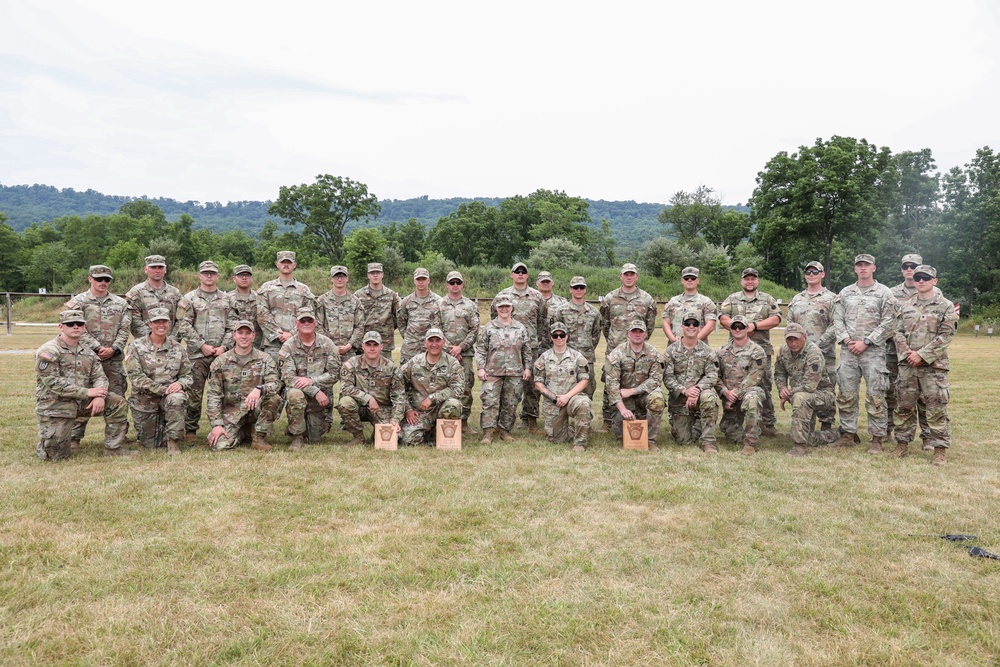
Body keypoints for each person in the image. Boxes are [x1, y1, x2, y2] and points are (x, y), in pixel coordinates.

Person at [34, 309, 134, 460]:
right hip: (56, 404)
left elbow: (100, 376)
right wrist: (87, 393)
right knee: (55, 456)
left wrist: (100, 395)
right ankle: (49, 442)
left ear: (84, 326)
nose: (75, 326)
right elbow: (53, 382)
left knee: (117, 402)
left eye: (79, 324)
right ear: (61, 327)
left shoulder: (88, 351)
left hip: (82, 402)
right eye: (70, 324)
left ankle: (114, 448)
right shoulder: (49, 350)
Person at [890, 265, 958, 465]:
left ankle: (939, 450)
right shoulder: (906, 305)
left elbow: (946, 336)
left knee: (936, 408)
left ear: (934, 281)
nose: (921, 281)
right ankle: (901, 444)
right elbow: (897, 331)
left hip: (933, 367)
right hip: (908, 366)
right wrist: (908, 353)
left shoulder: (945, 306)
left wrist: (922, 355)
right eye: (918, 277)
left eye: (926, 278)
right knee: (903, 406)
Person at [831, 254, 898, 452]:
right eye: (859, 265)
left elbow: (889, 322)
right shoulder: (845, 293)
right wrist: (847, 340)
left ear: (873, 268)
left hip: (874, 352)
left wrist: (867, 341)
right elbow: (837, 320)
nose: (862, 268)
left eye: (866, 265)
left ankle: (877, 438)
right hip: (848, 351)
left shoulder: (884, 293)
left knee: (876, 395)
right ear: (855, 269)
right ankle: (848, 434)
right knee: (846, 394)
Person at [65, 264, 132, 447]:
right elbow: (76, 328)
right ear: (90, 279)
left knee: (117, 395)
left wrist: (115, 348)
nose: (103, 282)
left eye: (106, 280)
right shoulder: (78, 302)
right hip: (85, 357)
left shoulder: (121, 303)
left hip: (114, 358)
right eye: (99, 279)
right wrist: (97, 348)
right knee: (83, 393)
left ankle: (118, 437)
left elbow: (125, 329)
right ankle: (74, 437)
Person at [174, 260, 236, 440]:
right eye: (205, 273)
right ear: (199, 275)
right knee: (194, 393)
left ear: (218, 276)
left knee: (225, 392)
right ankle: (191, 429)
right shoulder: (189, 299)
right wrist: (202, 345)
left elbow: (233, 326)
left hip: (222, 355)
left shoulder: (227, 299)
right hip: (197, 355)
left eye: (212, 273)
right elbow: (183, 325)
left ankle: (226, 425)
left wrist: (224, 347)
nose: (209, 276)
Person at [719, 268, 781, 437]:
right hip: (736, 354)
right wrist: (738, 327)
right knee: (736, 385)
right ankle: (734, 419)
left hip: (761, 352)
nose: (750, 281)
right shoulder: (732, 299)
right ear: (742, 281)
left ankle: (767, 423)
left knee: (765, 386)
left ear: (757, 281)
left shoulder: (767, 299)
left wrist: (754, 326)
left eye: (753, 279)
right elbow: (722, 317)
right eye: (747, 279)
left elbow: (776, 318)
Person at [123, 307, 193, 455]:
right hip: (144, 401)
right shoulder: (136, 346)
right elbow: (136, 377)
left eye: (164, 322)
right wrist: (162, 389)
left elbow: (188, 376)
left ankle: (173, 442)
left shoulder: (178, 348)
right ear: (149, 324)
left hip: (169, 398)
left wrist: (180, 384)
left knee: (177, 398)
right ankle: (158, 432)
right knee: (151, 445)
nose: (161, 325)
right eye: (157, 322)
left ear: (169, 324)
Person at [205, 320, 281, 452]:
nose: (244, 336)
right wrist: (217, 425)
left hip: (256, 409)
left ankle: (259, 436)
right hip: (232, 412)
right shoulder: (221, 362)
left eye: (247, 333)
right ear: (234, 335)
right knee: (220, 446)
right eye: (240, 333)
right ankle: (242, 432)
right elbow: (213, 395)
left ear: (253, 335)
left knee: (274, 398)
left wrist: (259, 389)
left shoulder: (265, 359)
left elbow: (275, 384)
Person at [491, 262, 548, 434]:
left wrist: (535, 342)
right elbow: (494, 320)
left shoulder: (537, 297)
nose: (520, 274)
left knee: (531, 386)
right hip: (507, 350)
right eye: (517, 271)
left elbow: (542, 322)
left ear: (528, 275)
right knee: (506, 385)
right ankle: (500, 422)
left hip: (531, 348)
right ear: (511, 274)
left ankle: (530, 419)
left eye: (523, 272)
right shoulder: (502, 295)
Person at [887, 253, 937, 448]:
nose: (910, 269)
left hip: (925, 354)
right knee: (895, 393)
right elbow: (891, 323)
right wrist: (905, 350)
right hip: (895, 352)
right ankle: (892, 432)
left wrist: (922, 354)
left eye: (914, 266)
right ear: (901, 269)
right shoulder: (892, 293)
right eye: (906, 266)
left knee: (925, 395)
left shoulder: (933, 291)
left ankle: (928, 437)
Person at [599, 263, 657, 430]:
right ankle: (608, 420)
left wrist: (639, 342)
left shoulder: (647, 299)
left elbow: (650, 325)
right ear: (621, 276)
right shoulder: (610, 298)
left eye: (632, 274)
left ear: (637, 277)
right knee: (610, 382)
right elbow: (605, 324)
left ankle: (639, 415)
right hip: (615, 348)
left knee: (637, 379)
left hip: (638, 349)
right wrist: (614, 342)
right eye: (626, 274)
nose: (629, 277)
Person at [279, 307, 342, 450]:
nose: (306, 323)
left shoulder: (328, 344)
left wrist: (313, 380)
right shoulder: (288, 346)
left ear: (315, 323)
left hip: (322, 399)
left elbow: (335, 373)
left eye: (309, 320)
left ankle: (302, 425)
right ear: (297, 323)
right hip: (302, 393)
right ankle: (297, 436)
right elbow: (288, 378)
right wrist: (314, 390)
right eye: (303, 320)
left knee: (315, 438)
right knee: (295, 395)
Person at [785, 260, 838, 429]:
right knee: (804, 387)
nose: (811, 275)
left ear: (822, 274)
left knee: (825, 387)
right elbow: (790, 324)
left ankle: (826, 424)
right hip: (800, 354)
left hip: (824, 352)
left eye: (815, 272)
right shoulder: (797, 299)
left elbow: (836, 324)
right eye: (808, 272)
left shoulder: (831, 298)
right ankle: (806, 423)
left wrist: (817, 346)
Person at [773, 322, 837, 456]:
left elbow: (810, 386)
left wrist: (788, 394)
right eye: (789, 339)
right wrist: (782, 387)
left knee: (800, 398)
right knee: (809, 437)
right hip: (802, 394)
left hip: (822, 394)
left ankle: (799, 447)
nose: (793, 343)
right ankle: (836, 434)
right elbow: (779, 373)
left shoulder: (813, 353)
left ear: (804, 337)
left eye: (796, 339)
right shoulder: (784, 351)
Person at [476, 292, 532, 444]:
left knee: (510, 402)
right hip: (493, 372)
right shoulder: (489, 327)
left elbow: (526, 350)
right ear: (496, 308)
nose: (504, 309)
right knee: (490, 402)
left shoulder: (520, 328)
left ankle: (505, 430)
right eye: (501, 307)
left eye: (507, 306)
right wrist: (480, 368)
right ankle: (488, 432)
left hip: (515, 372)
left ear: (512, 308)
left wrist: (528, 368)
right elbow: (481, 349)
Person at [663, 310, 720, 453]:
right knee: (684, 441)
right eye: (687, 323)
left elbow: (712, 375)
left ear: (699, 328)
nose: (691, 326)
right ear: (682, 327)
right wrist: (685, 391)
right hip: (680, 400)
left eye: (695, 324)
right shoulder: (671, 351)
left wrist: (697, 390)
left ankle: (708, 442)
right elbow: (667, 377)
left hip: (700, 396)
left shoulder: (707, 351)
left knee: (709, 397)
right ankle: (695, 425)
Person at [604, 320, 665, 450]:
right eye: (634, 331)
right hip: (624, 400)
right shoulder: (617, 353)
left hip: (643, 396)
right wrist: (622, 409)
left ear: (645, 334)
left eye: (640, 331)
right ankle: (626, 419)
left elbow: (656, 379)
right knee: (622, 436)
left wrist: (633, 390)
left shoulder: (654, 353)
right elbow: (611, 384)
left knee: (658, 398)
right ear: (628, 334)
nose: (637, 334)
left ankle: (650, 440)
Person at [337, 331, 406, 446]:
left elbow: (399, 397)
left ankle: (376, 433)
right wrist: (367, 398)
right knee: (345, 403)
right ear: (363, 346)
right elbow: (345, 388)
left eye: (375, 345)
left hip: (382, 409)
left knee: (394, 438)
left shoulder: (391, 368)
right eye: (368, 345)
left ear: (381, 347)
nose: (372, 348)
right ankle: (358, 437)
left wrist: (395, 420)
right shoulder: (351, 364)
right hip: (360, 407)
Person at [400, 328, 465, 446]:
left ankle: (440, 433)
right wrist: (408, 409)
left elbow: (458, 389)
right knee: (408, 441)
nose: (434, 344)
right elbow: (398, 386)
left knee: (454, 404)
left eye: (437, 341)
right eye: (431, 341)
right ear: (425, 343)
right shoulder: (414, 362)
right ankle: (427, 432)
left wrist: (433, 398)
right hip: (421, 412)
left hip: (442, 408)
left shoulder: (452, 363)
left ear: (443, 342)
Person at [533, 322, 591, 451]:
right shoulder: (543, 358)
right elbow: (538, 383)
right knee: (556, 439)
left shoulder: (577, 357)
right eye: (555, 335)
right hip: (553, 401)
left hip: (572, 398)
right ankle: (572, 428)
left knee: (584, 403)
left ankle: (580, 443)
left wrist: (567, 396)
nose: (559, 338)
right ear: (551, 337)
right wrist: (554, 398)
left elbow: (584, 380)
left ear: (567, 336)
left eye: (562, 335)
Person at [716, 315, 767, 455]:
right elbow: (716, 376)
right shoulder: (721, 352)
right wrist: (725, 392)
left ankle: (750, 444)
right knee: (730, 432)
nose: (737, 329)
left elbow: (754, 377)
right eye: (734, 327)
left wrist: (735, 394)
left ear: (747, 329)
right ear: (730, 329)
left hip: (749, 392)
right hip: (729, 397)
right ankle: (751, 428)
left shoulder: (757, 351)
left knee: (752, 400)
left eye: (741, 327)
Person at [438, 270, 481, 433]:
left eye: (458, 282)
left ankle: (463, 423)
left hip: (466, 354)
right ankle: (445, 421)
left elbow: (475, 329)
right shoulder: (439, 304)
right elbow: (436, 329)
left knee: (465, 388)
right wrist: (450, 348)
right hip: (443, 354)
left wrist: (461, 347)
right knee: (442, 386)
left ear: (462, 284)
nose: (455, 285)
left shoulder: (470, 305)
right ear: (447, 285)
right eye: (452, 282)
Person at [256, 250, 315, 363]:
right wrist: (278, 334)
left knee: (297, 377)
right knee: (272, 377)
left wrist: (292, 334)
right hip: (272, 343)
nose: (286, 265)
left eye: (289, 262)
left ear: (294, 265)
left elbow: (309, 315)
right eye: (283, 262)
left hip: (298, 342)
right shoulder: (267, 288)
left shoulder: (304, 290)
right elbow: (262, 314)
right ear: (277, 264)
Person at [549, 276, 602, 399]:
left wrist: (587, 348)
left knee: (588, 388)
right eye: (575, 287)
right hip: (566, 357)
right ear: (570, 290)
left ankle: (584, 415)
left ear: (585, 290)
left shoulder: (593, 312)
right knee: (564, 386)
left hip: (586, 357)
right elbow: (556, 334)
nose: (578, 289)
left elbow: (596, 334)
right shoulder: (561, 311)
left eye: (581, 287)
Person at [125, 254, 183, 339]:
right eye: (153, 267)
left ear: (165, 269)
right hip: (145, 346)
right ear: (146, 269)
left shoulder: (175, 293)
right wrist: (152, 339)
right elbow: (133, 320)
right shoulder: (136, 292)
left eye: (160, 267)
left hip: (171, 345)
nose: (157, 270)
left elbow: (182, 318)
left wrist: (172, 339)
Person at [354, 263, 401, 359]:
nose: (375, 275)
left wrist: (388, 327)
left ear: (382, 275)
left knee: (386, 371)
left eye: (378, 273)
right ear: (368, 275)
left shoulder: (391, 295)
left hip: (385, 343)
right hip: (364, 342)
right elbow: (353, 318)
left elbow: (399, 316)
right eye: (372, 273)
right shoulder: (358, 295)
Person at [316, 265, 364, 359]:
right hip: (327, 352)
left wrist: (350, 345)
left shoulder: (355, 301)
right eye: (336, 276)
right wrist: (330, 345)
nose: (339, 279)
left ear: (347, 279)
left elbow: (360, 326)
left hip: (350, 353)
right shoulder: (322, 300)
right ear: (331, 279)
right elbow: (318, 325)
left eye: (342, 276)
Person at [398, 267, 443, 364]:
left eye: (423, 279)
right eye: (418, 279)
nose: (421, 282)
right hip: (410, 348)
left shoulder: (438, 301)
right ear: (414, 281)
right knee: (406, 376)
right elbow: (401, 322)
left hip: (431, 346)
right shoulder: (406, 301)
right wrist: (409, 337)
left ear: (428, 280)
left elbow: (442, 323)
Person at [662, 267, 717, 344]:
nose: (689, 280)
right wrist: (673, 339)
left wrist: (692, 341)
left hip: (698, 349)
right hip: (675, 348)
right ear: (682, 281)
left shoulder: (706, 302)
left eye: (693, 278)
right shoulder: (673, 301)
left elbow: (710, 325)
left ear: (698, 281)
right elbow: (665, 323)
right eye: (686, 278)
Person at [229, 264, 263, 348]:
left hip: (256, 344)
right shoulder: (227, 298)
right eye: (241, 275)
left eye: (247, 275)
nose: (244, 278)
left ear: (251, 278)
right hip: (233, 344)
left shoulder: (259, 298)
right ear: (234, 278)